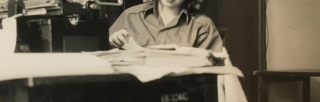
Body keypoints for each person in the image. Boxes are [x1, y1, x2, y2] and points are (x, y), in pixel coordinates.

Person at [109, 0, 223, 52]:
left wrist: (139, 52)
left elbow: (210, 79)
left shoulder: (203, 27)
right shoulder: (130, 16)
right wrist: (114, 42)